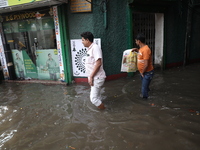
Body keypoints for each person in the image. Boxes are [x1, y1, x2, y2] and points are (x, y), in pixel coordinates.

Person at [81, 31, 106, 110]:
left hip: (97, 77)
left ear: (87, 40)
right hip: (95, 77)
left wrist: (91, 76)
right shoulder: (90, 48)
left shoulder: (95, 48)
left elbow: (98, 63)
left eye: (83, 40)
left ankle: (105, 111)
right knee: (98, 97)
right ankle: (102, 108)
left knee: (93, 99)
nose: (82, 42)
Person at [132, 33, 154, 99]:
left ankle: (145, 103)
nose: (135, 42)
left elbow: (146, 64)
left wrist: (142, 72)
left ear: (139, 41)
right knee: (145, 87)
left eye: (136, 41)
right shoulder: (141, 49)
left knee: (144, 90)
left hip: (147, 73)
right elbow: (142, 55)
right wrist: (137, 50)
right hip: (144, 72)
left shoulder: (146, 50)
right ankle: (148, 94)